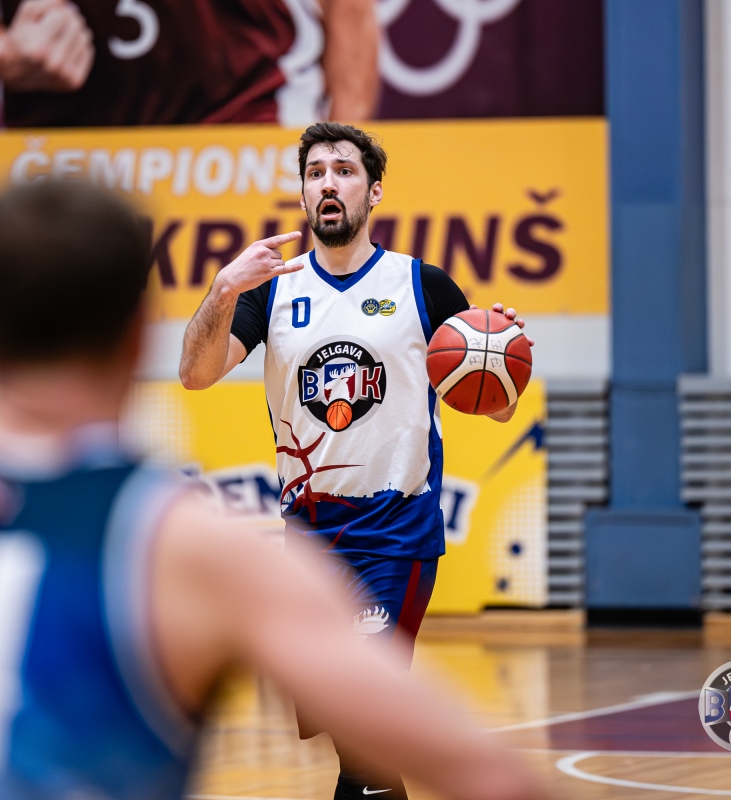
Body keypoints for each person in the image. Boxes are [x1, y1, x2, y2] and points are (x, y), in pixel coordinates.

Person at [0, 180, 542, 800]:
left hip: (390, 527)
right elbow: (492, 777)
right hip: (311, 532)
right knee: (367, 746)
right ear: (136, 334)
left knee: (361, 760)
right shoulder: (187, 550)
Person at [179, 122, 535, 800]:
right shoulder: (271, 291)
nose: (328, 183)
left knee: (363, 727)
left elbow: (497, 411)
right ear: (303, 195)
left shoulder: (422, 284)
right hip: (308, 536)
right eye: (315, 173)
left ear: (373, 192)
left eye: (343, 171)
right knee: (354, 739)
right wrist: (223, 289)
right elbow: (196, 375)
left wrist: (501, 361)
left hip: (395, 529)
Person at [0, 0, 379, 127]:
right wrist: (2, 53)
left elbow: (348, 7)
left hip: (245, 131)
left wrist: (341, 158)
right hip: (66, 152)